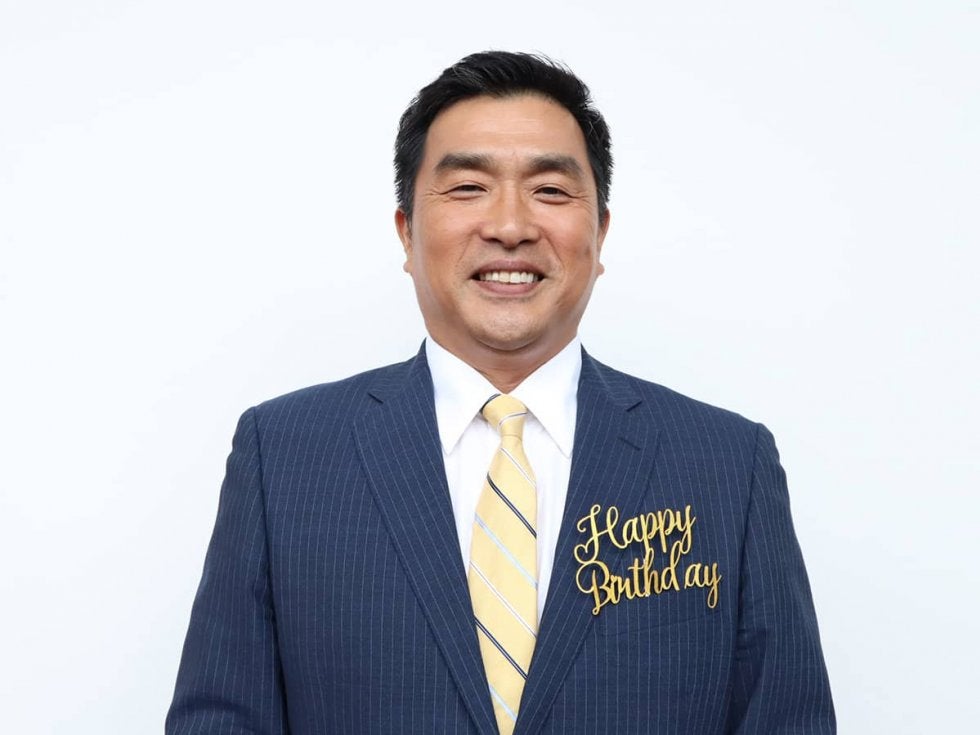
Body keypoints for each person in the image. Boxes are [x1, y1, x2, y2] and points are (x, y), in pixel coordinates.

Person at [166, 51, 835, 734]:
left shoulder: (728, 465)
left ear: (600, 232)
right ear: (407, 232)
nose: (510, 226)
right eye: (468, 188)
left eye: (550, 190)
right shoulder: (284, 456)